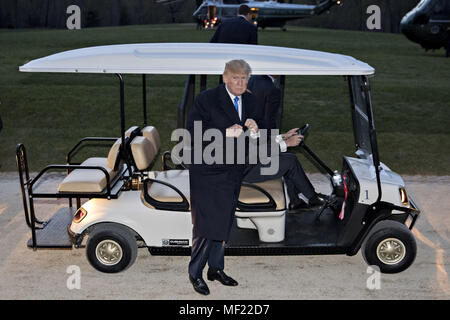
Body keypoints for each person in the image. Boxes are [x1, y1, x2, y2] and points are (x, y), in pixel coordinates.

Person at [186, 59, 262, 295]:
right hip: (207, 171)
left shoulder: (249, 100)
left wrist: (256, 128)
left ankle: (215, 269)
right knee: (207, 223)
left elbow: (258, 130)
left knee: (224, 221)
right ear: (225, 78)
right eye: (236, 78)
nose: (241, 83)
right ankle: (195, 273)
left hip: (233, 170)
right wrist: (224, 133)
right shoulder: (207, 99)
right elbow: (193, 132)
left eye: (245, 78)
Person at [244, 75, 327, 211]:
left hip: (248, 164)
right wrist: (286, 144)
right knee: (289, 162)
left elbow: (259, 140)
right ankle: (313, 199)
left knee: (289, 159)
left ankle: (296, 202)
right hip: (245, 171)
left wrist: (284, 136)